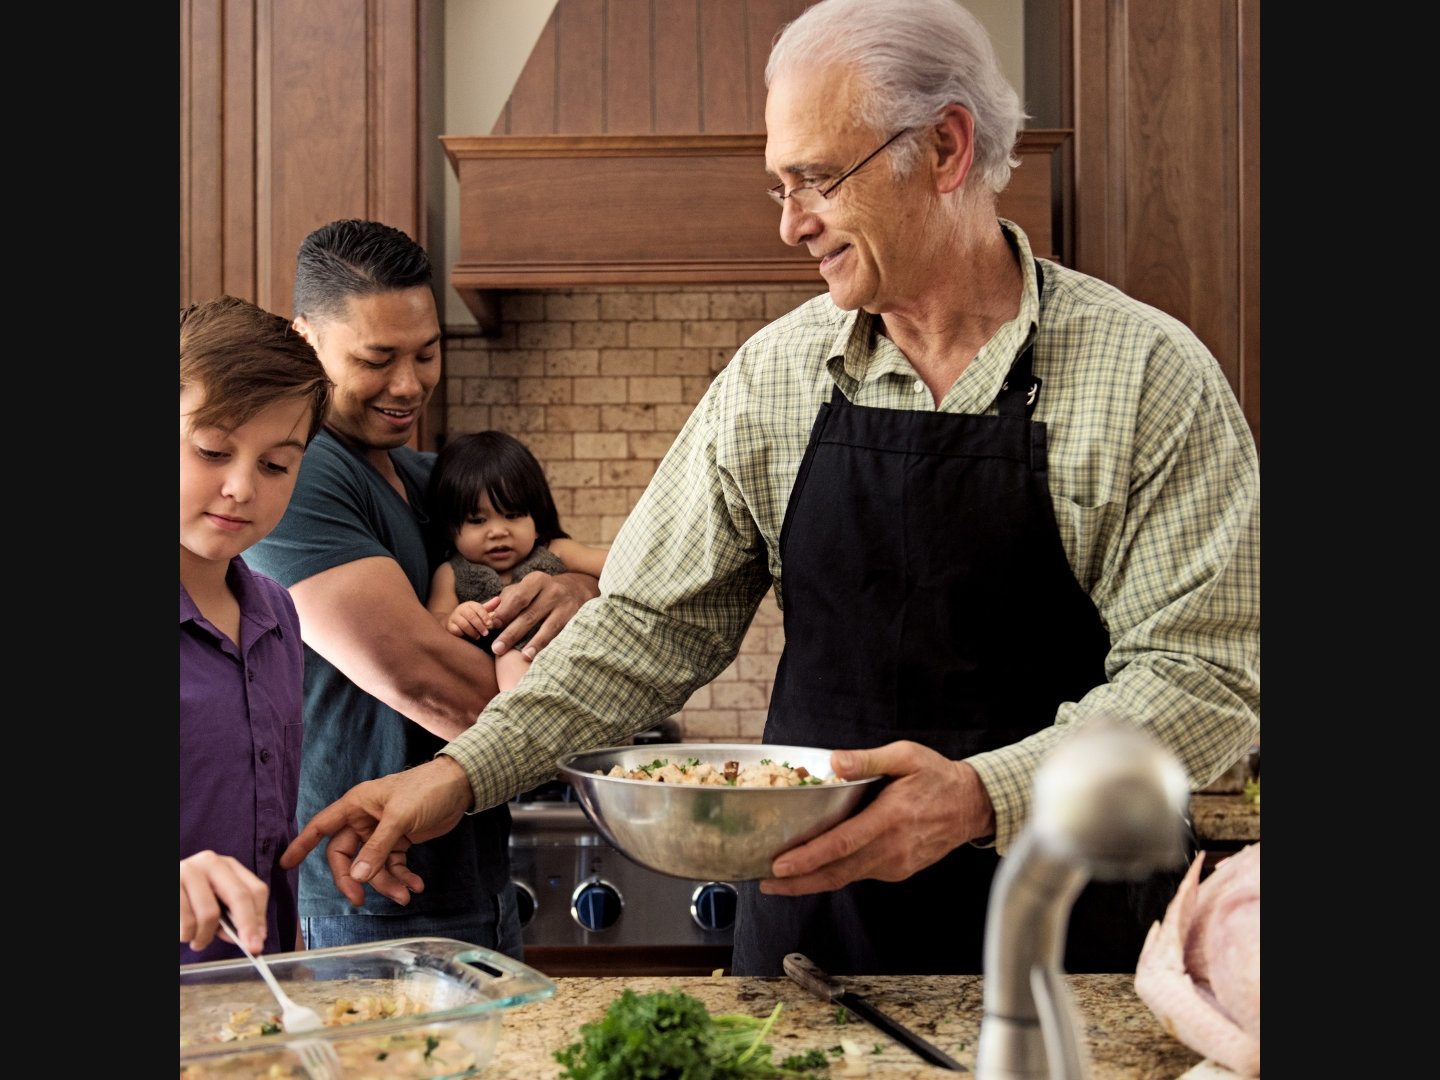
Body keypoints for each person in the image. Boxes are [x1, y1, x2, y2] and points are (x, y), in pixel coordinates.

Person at [282, 0, 1260, 977]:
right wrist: (461, 774)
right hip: (812, 945)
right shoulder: (774, 378)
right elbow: (644, 628)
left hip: (1070, 939)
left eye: (817, 179)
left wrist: (979, 795)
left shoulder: (1146, 376)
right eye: (778, 188)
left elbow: (1208, 679)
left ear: (947, 148)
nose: (792, 224)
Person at [245, 221, 600, 955]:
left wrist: (569, 594)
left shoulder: (426, 476)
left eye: (427, 352)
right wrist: (583, 681)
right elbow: (445, 690)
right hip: (370, 889)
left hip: (473, 871)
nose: (409, 385)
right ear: (305, 339)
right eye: (378, 359)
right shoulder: (298, 474)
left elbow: (553, 565)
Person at [180, 296, 416, 963]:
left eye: (276, 464)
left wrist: (293, 978)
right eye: (212, 451)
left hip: (259, 1011)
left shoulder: (278, 614)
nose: (240, 487)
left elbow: (268, 839)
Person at [426, 432, 608, 691]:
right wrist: (455, 619)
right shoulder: (451, 573)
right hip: (510, 670)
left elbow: (620, 567)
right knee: (509, 656)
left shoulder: (556, 551)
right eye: (477, 521)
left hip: (577, 661)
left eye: (512, 515)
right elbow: (435, 621)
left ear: (536, 521)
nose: (498, 531)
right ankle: (530, 723)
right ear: (449, 529)